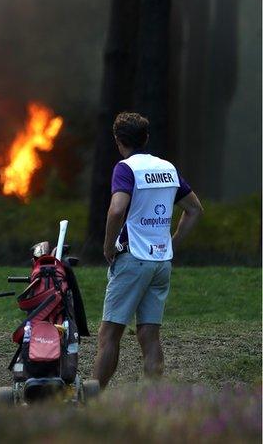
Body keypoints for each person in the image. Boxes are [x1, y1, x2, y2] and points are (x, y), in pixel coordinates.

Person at [91, 112, 203, 388]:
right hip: (161, 262)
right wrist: (172, 243)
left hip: (133, 259)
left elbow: (117, 208)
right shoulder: (168, 168)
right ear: (146, 138)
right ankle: (155, 401)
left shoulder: (125, 168)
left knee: (109, 335)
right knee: (149, 335)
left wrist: (107, 246)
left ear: (118, 140)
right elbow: (194, 209)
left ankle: (92, 400)